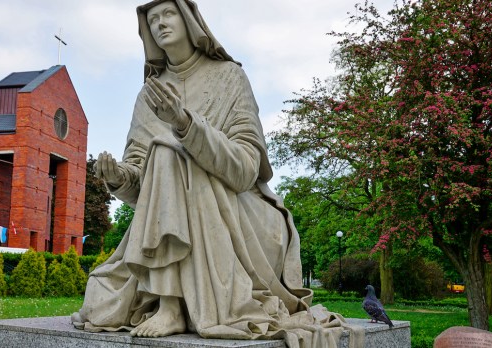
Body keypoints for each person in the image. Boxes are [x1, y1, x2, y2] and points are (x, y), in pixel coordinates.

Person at [72, 1, 357, 346]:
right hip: (172, 231)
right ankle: (171, 301)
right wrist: (118, 178)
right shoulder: (149, 94)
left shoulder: (230, 77)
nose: (161, 23)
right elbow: (148, 198)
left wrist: (185, 125)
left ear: (189, 18)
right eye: (153, 19)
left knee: (168, 149)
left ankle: (171, 306)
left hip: (242, 214)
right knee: (101, 296)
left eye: (169, 13)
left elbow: (245, 171)